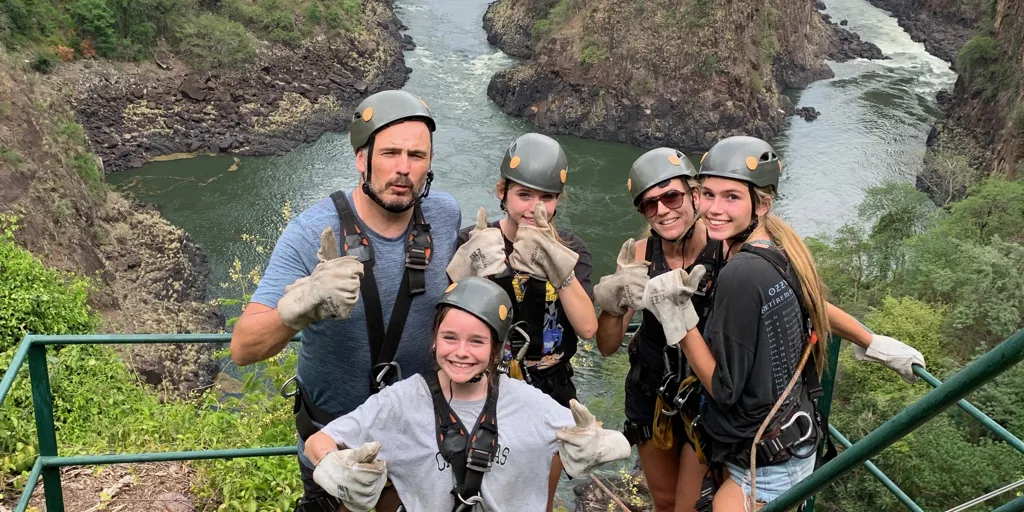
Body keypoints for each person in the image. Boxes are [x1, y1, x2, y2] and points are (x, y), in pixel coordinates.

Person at [594, 146, 927, 512]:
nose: (662, 210)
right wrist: (616, 302)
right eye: (649, 204)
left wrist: (870, 341)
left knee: (688, 505)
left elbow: (806, 298)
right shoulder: (640, 255)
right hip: (653, 391)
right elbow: (607, 346)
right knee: (665, 501)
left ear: (692, 194)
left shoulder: (725, 246)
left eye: (671, 196)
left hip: (706, 397)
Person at [228, 89, 462, 512]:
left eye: (417, 155)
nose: (403, 169)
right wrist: (299, 307)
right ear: (362, 159)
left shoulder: (445, 217)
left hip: (422, 441)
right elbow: (243, 347)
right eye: (390, 153)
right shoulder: (313, 233)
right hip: (334, 447)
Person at [303, 277, 631, 512]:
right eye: (449, 338)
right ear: (433, 341)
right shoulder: (401, 402)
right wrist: (335, 464)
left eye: (477, 341)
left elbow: (606, 440)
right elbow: (320, 442)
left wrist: (596, 443)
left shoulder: (530, 404)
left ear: (497, 349)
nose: (461, 352)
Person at [447, 133, 598, 510]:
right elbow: (446, 321)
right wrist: (465, 273)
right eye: (524, 195)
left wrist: (560, 270)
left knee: (536, 498)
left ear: (558, 199)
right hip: (483, 383)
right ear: (502, 191)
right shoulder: (475, 241)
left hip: (549, 385)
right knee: (470, 489)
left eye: (546, 197)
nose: (535, 207)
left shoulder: (572, 250)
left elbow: (588, 327)